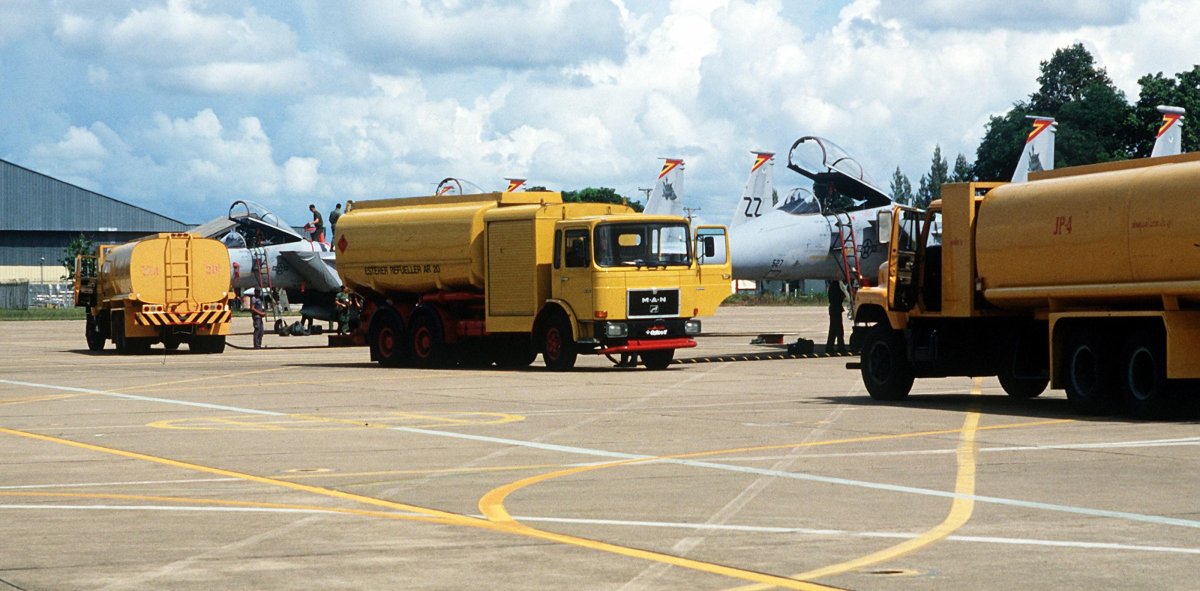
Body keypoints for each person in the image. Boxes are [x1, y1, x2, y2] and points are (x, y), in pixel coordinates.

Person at [825, 280, 847, 354]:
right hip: (836, 308)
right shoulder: (836, 285)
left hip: (834, 308)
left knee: (833, 329)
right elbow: (840, 296)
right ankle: (840, 347)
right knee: (839, 329)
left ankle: (830, 347)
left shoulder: (834, 285)